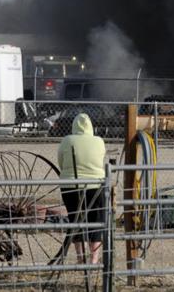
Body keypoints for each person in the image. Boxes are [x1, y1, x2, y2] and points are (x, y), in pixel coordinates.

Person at [57, 112, 107, 265]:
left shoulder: (67, 140)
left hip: (70, 187)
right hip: (95, 186)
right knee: (96, 220)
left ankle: (80, 257)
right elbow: (101, 159)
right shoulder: (99, 141)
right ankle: (93, 259)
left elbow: (61, 162)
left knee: (75, 219)